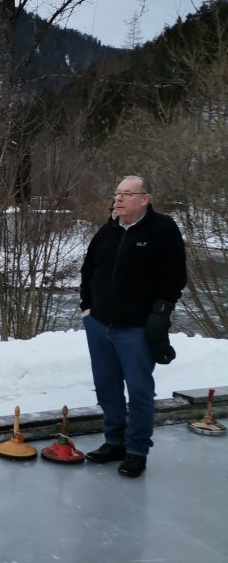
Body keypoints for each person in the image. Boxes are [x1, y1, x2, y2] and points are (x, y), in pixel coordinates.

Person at [79, 174, 187, 478]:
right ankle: (114, 442)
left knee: (139, 391)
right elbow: (88, 269)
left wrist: (160, 313)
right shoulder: (108, 230)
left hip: (136, 328)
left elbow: (175, 276)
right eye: (117, 193)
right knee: (107, 388)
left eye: (127, 194)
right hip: (99, 325)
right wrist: (87, 307)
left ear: (144, 199)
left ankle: (137, 450)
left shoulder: (162, 229)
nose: (119, 199)